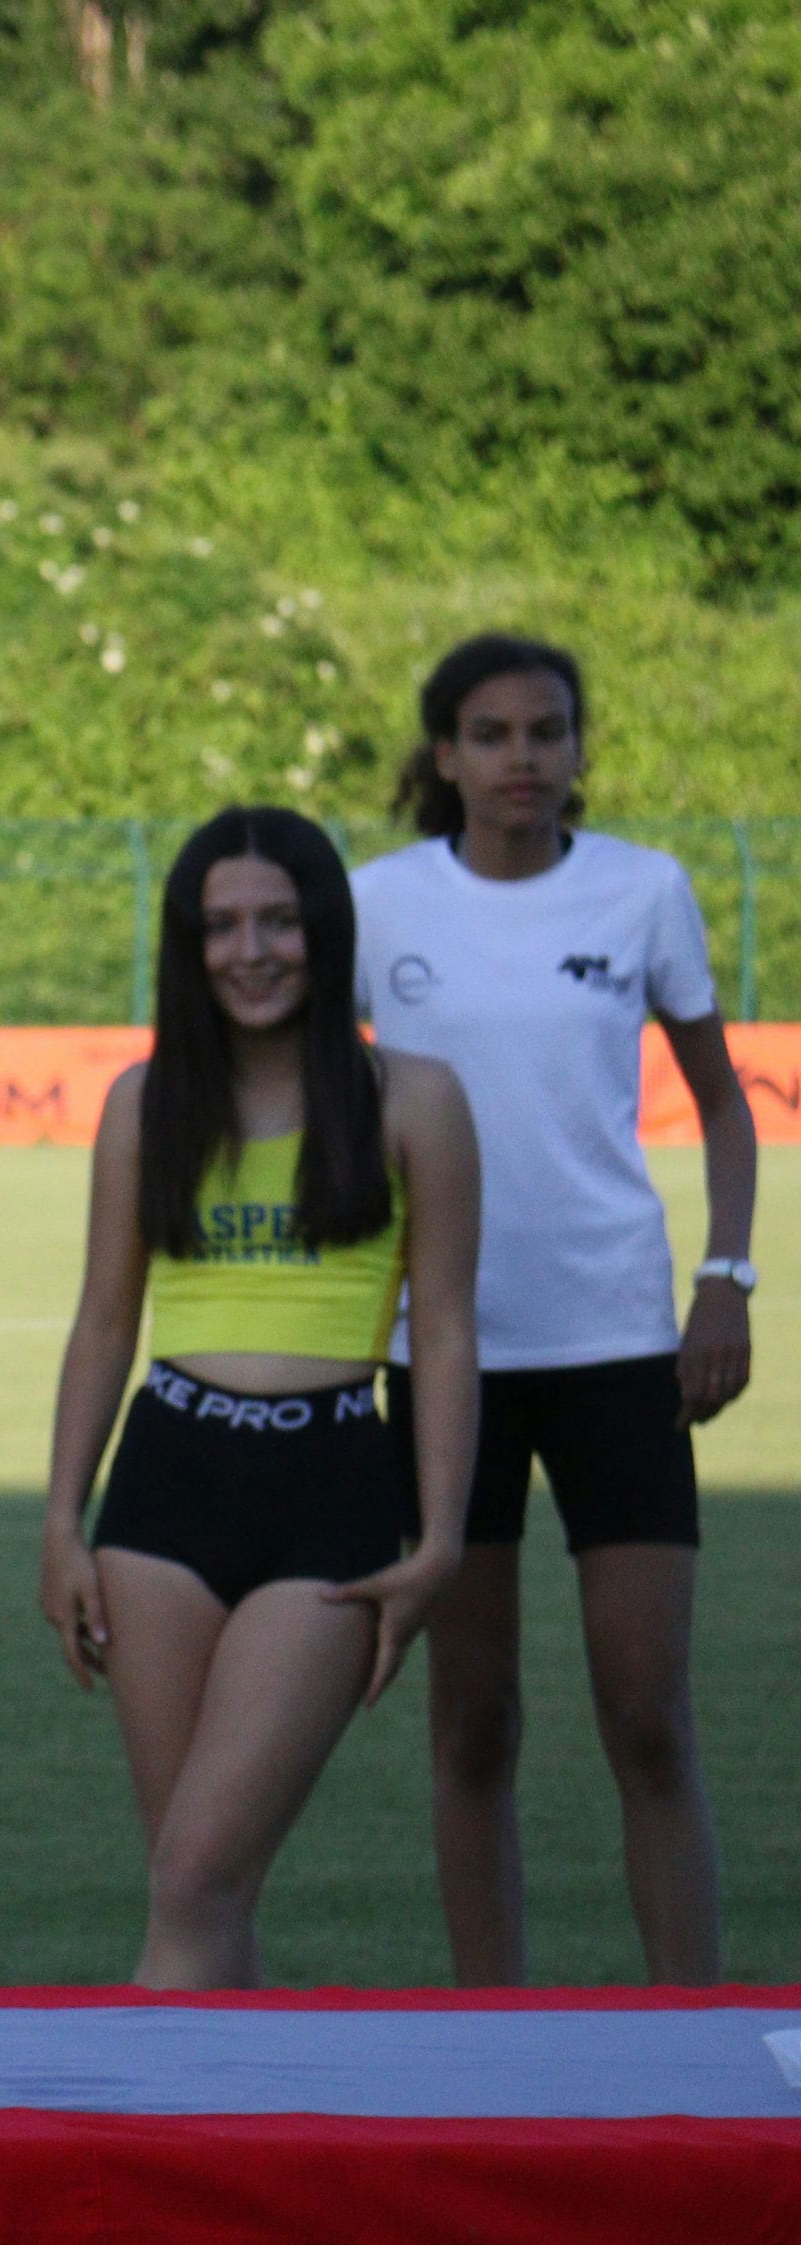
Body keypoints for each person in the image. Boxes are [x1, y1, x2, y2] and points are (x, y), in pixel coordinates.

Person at [354, 634, 760, 1984]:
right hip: (442, 1358)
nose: (521, 757)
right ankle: (495, 2039)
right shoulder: (377, 904)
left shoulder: (645, 891)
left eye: (547, 731)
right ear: (445, 755)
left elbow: (723, 1107)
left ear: (580, 749)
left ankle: (693, 2030)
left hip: (620, 1345)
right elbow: (315, 1107)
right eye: (491, 734)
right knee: (473, 1725)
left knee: (647, 1718)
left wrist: (726, 1278)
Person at [42, 809, 484, 1986]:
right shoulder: (145, 1103)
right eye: (223, 925)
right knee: (195, 1884)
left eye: (279, 922)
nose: (252, 952)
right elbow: (104, 1320)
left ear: (325, 931)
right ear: (188, 945)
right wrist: (60, 1521)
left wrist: (441, 1538)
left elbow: (444, 1332)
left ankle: (143, 2105)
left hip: (330, 1491)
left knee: (198, 1874)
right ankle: (219, 2105)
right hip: (164, 1489)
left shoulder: (414, 1099)